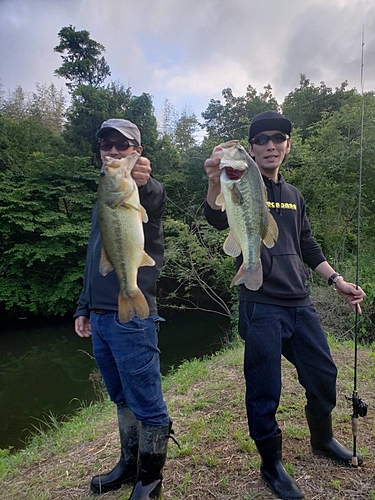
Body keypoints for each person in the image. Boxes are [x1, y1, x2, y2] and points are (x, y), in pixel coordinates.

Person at [203, 111, 366, 500]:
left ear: (288, 145)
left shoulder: (294, 196)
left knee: (324, 374)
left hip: (300, 303)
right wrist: (214, 182)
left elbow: (308, 245)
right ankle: (271, 464)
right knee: (264, 389)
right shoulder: (238, 182)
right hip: (260, 305)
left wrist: (336, 280)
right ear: (252, 149)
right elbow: (214, 215)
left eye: (278, 138)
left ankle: (322, 439)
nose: (270, 145)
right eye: (260, 140)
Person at [74, 118, 172, 499]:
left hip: (132, 315)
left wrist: (145, 183)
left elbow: (154, 200)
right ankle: (128, 464)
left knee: (147, 401)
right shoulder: (104, 196)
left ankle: (151, 479)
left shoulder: (137, 190)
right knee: (121, 398)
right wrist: (83, 306)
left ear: (137, 152)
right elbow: (94, 257)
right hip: (99, 315)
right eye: (106, 145)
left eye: (123, 145)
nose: (113, 151)